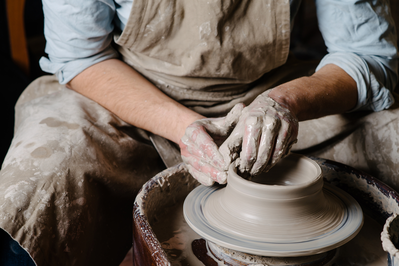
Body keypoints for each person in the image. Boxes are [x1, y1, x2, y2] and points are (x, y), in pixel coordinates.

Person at [0, 0, 397, 265]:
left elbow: (366, 54)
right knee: (40, 181)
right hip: (121, 93)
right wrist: (183, 128)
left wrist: (287, 102)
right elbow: (82, 55)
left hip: (265, 95)